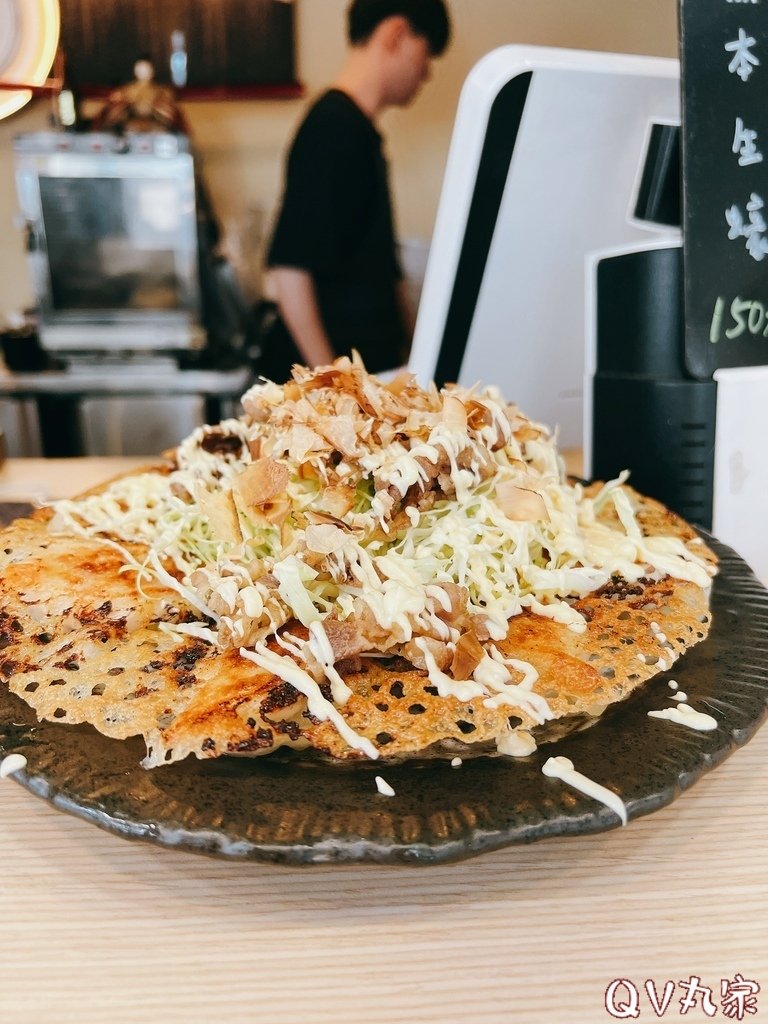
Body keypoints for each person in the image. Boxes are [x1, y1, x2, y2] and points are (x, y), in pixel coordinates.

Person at [262, 0, 451, 381]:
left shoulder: (359, 132)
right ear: (396, 33)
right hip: (339, 391)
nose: (427, 72)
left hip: (374, 375)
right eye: (427, 52)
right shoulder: (334, 128)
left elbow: (380, 263)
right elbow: (290, 272)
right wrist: (334, 387)